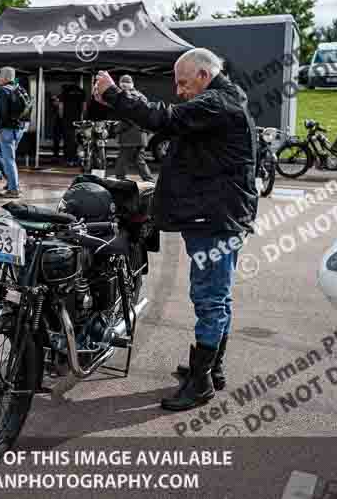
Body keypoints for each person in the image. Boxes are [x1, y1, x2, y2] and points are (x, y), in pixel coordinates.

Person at [94, 48, 258, 412]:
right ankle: (211, 369)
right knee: (218, 296)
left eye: (183, 83)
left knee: (209, 298)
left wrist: (113, 95)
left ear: (203, 74)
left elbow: (163, 118)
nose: (180, 91)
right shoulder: (224, 100)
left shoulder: (216, 103)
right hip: (221, 214)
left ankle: (200, 383)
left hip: (216, 218)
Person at [113, 75, 154, 182]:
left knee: (123, 158)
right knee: (139, 159)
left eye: (123, 83)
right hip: (141, 134)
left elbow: (127, 117)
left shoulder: (126, 96)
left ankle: (119, 179)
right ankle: (149, 180)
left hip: (129, 135)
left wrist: (118, 129)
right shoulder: (141, 96)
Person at [0, 67, 22, 199]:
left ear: (5, 77)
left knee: (8, 160)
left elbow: (2, 112)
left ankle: (13, 189)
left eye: (0, 75)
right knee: (11, 159)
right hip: (18, 128)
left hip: (7, 129)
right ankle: (13, 184)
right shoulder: (18, 88)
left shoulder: (3, 91)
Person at [60, 83, 86, 167]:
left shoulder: (65, 92)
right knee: (77, 140)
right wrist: (82, 118)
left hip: (66, 119)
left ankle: (68, 160)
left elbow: (61, 107)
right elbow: (84, 107)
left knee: (67, 140)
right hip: (77, 119)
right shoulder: (81, 92)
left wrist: (61, 117)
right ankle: (76, 159)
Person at [50, 94, 64, 159]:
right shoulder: (55, 107)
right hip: (58, 124)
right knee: (56, 140)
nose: (54, 102)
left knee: (58, 139)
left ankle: (56, 154)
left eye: (55, 101)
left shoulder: (60, 105)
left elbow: (60, 115)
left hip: (61, 123)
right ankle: (56, 154)